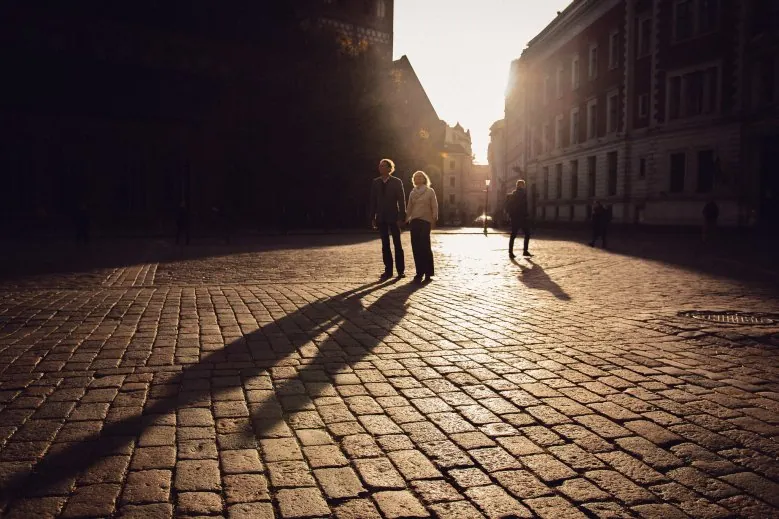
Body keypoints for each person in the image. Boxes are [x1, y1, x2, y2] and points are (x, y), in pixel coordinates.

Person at [369, 158, 406, 280]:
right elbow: (373, 201)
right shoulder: (375, 182)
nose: (381, 168)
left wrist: (401, 217)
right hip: (381, 217)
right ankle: (388, 271)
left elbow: (401, 200)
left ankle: (400, 271)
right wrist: (373, 217)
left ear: (390, 168)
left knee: (397, 244)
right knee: (385, 245)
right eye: (380, 166)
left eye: (383, 166)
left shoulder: (397, 181)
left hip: (394, 217)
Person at [405, 170, 438, 283]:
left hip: (426, 221)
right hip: (414, 221)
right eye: (416, 177)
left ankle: (428, 273)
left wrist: (434, 218)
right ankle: (419, 272)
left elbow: (434, 205)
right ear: (414, 180)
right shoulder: (412, 192)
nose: (418, 178)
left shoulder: (430, 191)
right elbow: (409, 207)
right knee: (416, 247)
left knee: (425, 246)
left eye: (420, 177)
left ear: (424, 179)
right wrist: (405, 219)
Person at [505, 179, 532, 258]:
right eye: (523, 185)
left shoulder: (512, 194)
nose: (524, 186)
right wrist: (527, 214)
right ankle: (525, 251)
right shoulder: (523, 194)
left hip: (514, 218)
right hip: (522, 218)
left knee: (513, 235)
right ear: (521, 185)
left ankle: (510, 252)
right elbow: (524, 206)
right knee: (527, 234)